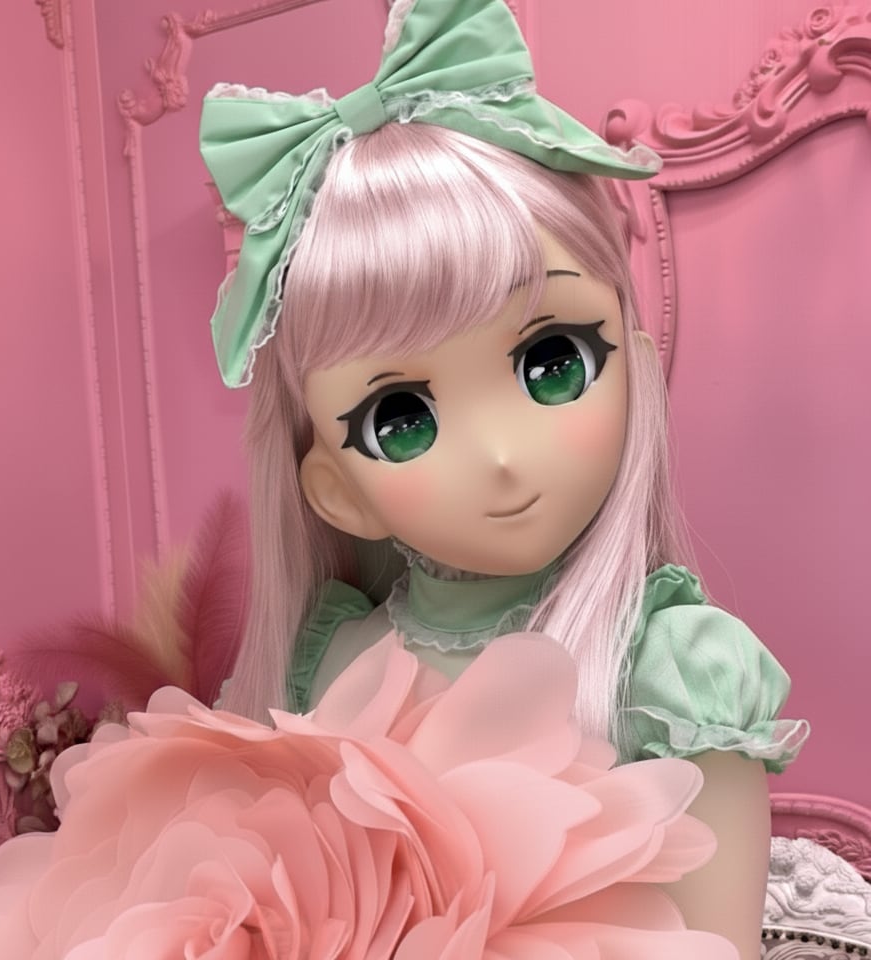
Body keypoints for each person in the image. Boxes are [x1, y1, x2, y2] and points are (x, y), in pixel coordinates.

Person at [199, 1, 808, 956]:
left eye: (553, 363)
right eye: (402, 419)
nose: (499, 454)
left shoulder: (670, 675)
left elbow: (712, 942)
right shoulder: (328, 661)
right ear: (334, 487)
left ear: (635, 367)